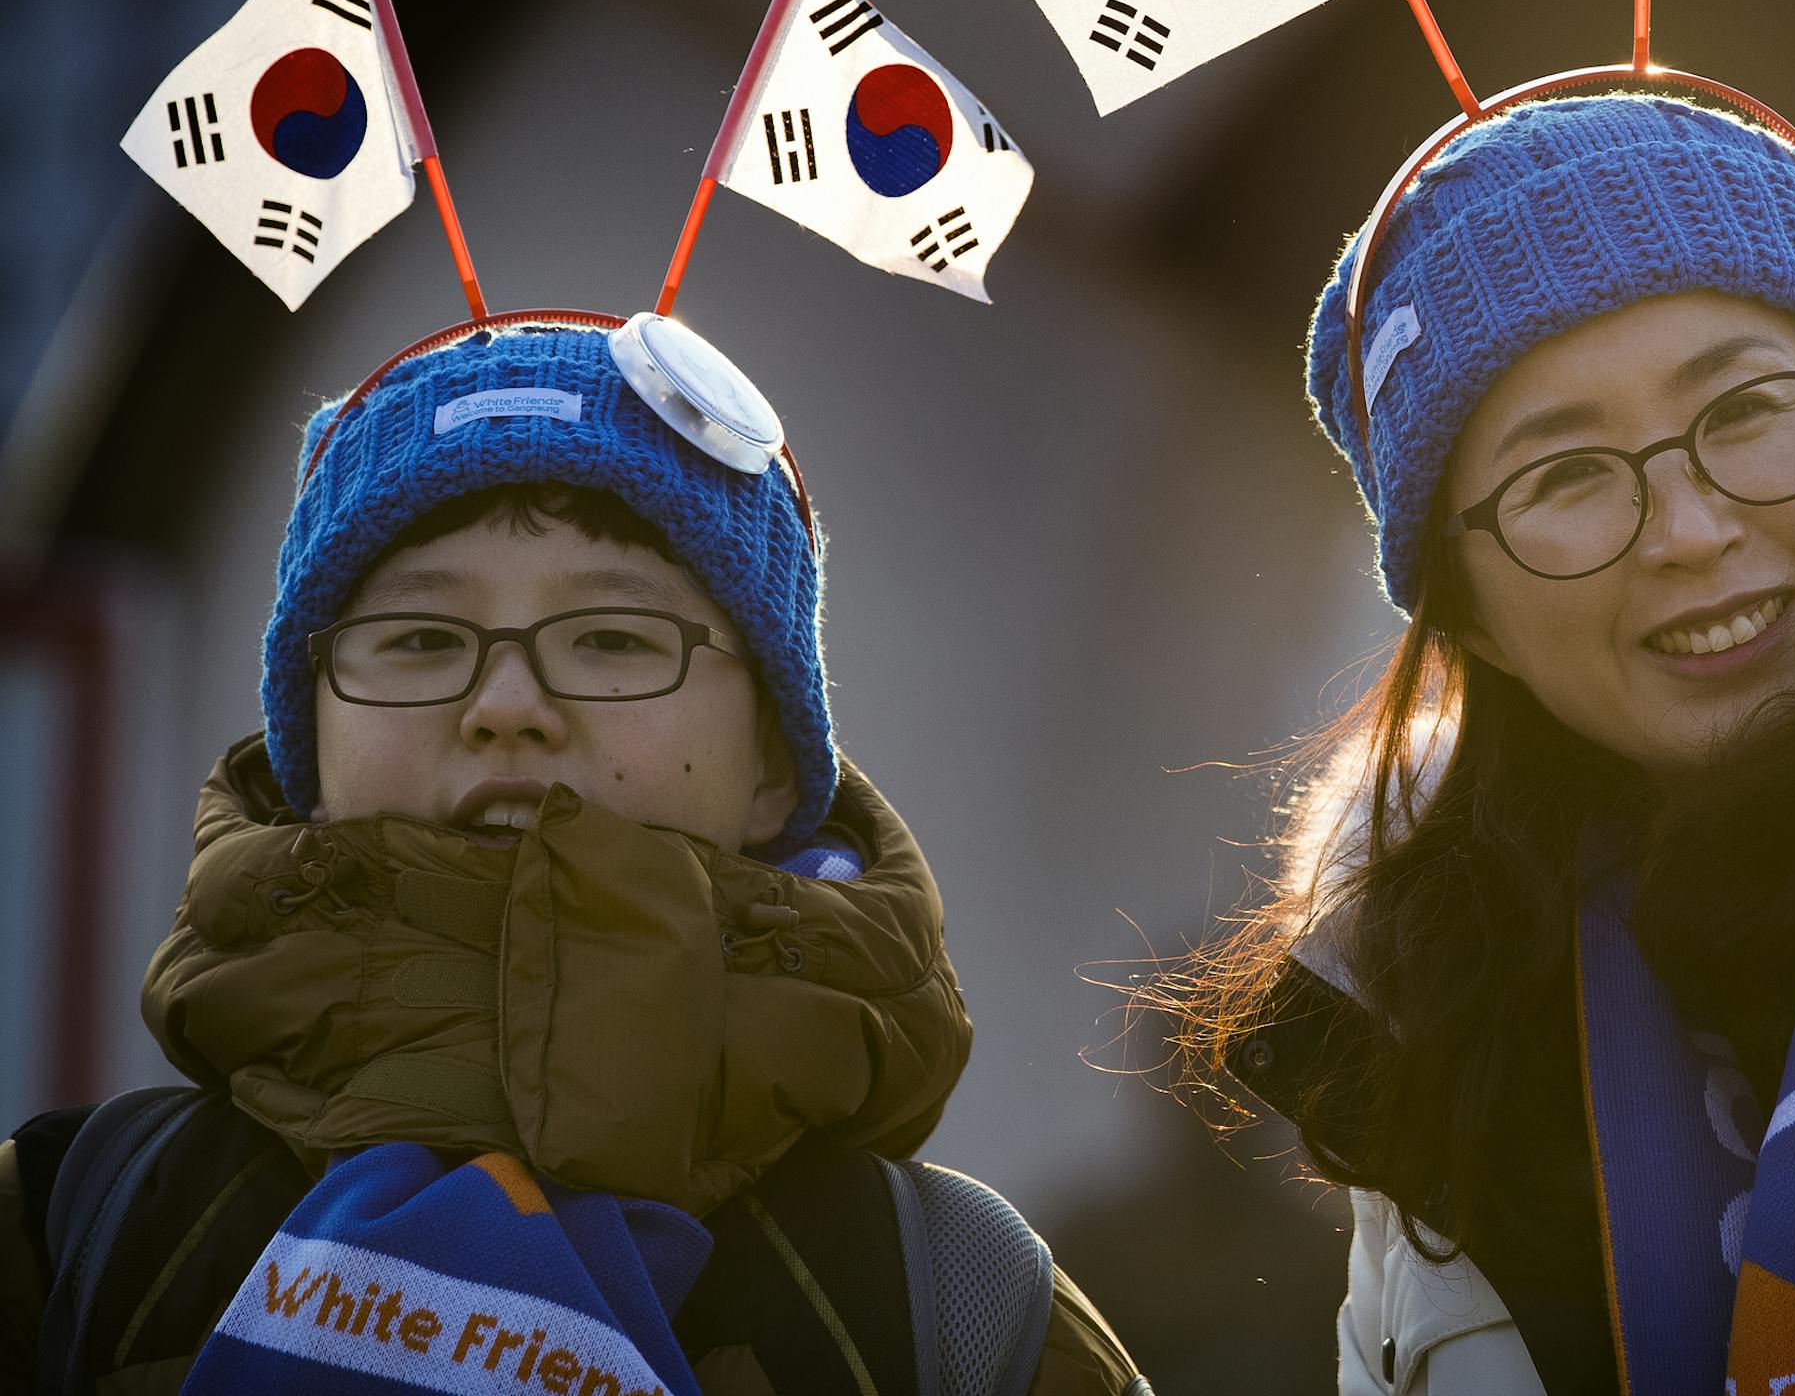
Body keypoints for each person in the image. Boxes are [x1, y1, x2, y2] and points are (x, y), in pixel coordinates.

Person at [1169, 93, 1795, 1394]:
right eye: (1565, 477)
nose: (1689, 529)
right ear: (1475, 619)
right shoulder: (1441, 1035)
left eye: (1747, 411)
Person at [0, 312, 1145, 1395]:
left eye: (610, 636)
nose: (506, 704)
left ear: (777, 767)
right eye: (419, 637)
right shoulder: (66, 1240)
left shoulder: (962, 1312)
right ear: (312, 742)